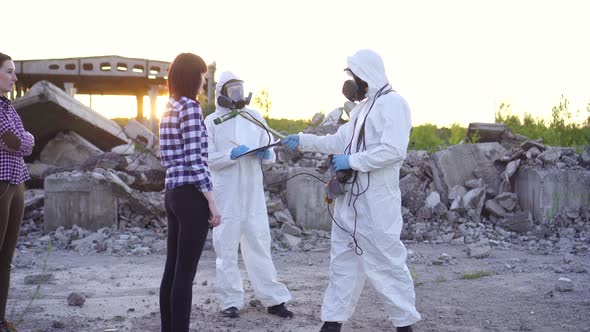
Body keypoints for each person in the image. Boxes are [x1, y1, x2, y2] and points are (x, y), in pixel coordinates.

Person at [283, 49, 421, 332]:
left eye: (353, 76)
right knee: (342, 266)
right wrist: (303, 140)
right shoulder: (361, 110)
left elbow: (393, 151)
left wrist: (353, 161)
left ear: (367, 75)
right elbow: (336, 141)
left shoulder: (394, 104)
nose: (350, 83)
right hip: (349, 204)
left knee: (387, 267)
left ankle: (405, 325)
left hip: (376, 206)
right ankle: (331, 324)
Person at [204, 71, 293, 319]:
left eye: (240, 89)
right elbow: (207, 159)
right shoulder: (211, 121)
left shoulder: (254, 117)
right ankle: (230, 301)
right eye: (232, 90)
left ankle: (274, 300)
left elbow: (271, 151)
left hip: (253, 193)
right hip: (227, 194)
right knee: (227, 247)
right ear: (222, 92)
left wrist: (266, 154)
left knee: (259, 243)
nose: (238, 95)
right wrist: (229, 156)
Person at [159, 53, 222, 332]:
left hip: (172, 192)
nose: (205, 82)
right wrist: (211, 201)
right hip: (190, 196)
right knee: (186, 273)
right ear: (191, 76)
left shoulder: (169, 106)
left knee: (172, 269)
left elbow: (170, 156)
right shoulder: (191, 108)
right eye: (203, 76)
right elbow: (196, 159)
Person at [0, 53, 34, 332]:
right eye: (9, 72)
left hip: (17, 181)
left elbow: (22, 143)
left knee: (6, 258)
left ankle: (0, 318)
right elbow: (14, 140)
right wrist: (23, 140)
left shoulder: (9, 107)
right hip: (1, 184)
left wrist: (22, 141)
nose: (15, 77)